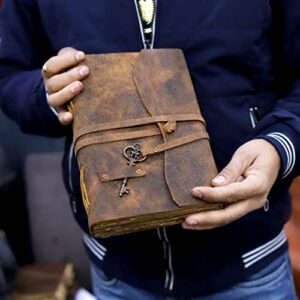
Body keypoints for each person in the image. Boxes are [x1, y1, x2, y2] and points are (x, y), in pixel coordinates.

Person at [0, 1, 299, 299]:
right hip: (118, 274)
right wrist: (49, 94)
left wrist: (279, 146)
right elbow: (9, 73)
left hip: (249, 268)